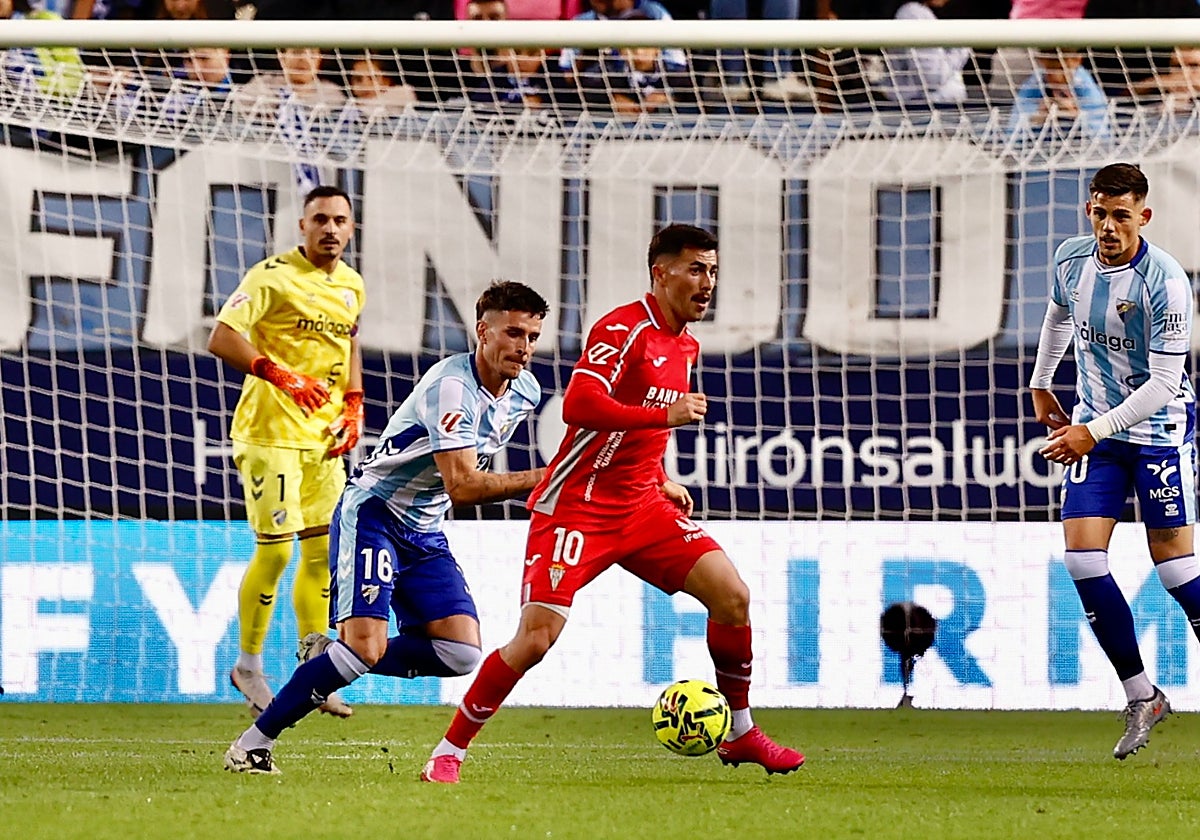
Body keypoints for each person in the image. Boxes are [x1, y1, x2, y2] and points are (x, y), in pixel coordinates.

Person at [421, 224, 805, 784]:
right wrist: (664, 414)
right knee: (535, 640)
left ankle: (742, 733)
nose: (707, 283)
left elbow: (644, 429)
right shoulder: (623, 327)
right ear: (661, 273)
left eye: (713, 271)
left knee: (733, 597)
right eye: (695, 269)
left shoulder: (686, 344)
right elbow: (580, 404)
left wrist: (661, 477)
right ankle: (448, 752)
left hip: (642, 506)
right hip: (578, 506)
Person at [224, 281, 550, 774]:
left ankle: (333, 656)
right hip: (375, 512)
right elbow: (463, 485)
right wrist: (545, 478)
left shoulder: (525, 391)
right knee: (366, 647)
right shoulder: (452, 387)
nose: (524, 347)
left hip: (425, 528)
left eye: (532, 337)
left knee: (460, 652)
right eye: (513, 333)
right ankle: (251, 746)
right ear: (483, 332)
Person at [1030, 162, 1199, 760]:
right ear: (1089, 210)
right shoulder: (1070, 259)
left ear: (1143, 217)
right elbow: (1058, 317)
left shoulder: (1166, 282)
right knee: (1081, 559)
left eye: (1121, 215)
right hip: (1096, 427)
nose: (1108, 226)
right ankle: (1142, 696)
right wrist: (1041, 381)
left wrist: (1089, 432)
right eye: (1100, 213)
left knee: (1175, 570)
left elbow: (1164, 384)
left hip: (1158, 432)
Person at [208, 185, 365, 722]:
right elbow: (221, 337)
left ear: (351, 227)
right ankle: (248, 665)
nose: (330, 229)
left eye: (340, 220)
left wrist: (354, 405)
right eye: (320, 219)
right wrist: (279, 374)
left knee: (323, 556)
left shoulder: (351, 284)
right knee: (275, 553)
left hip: (323, 442)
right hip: (269, 434)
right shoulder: (270, 277)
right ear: (303, 225)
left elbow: (349, 343)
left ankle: (314, 671)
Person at [1007, 51, 1111, 141]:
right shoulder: (1035, 83)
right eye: (1051, 69)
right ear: (1042, 62)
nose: (1056, 76)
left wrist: (1076, 115)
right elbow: (1012, 132)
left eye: (1062, 69)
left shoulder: (1086, 87)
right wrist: (1037, 116)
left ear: (1077, 61)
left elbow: (1102, 135)